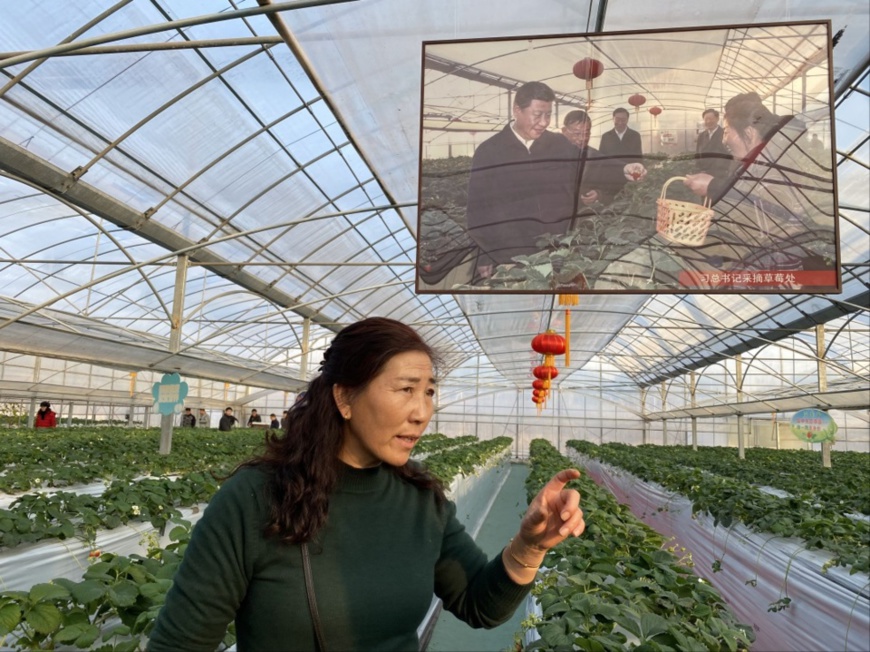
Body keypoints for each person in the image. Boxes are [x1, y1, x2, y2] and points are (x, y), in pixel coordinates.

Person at [148, 317, 585, 651]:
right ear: (344, 398)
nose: (421, 411)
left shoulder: (420, 502)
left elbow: (479, 604)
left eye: (430, 391)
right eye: (405, 389)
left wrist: (530, 546)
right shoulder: (255, 500)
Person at [682, 92, 835, 277]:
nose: (724, 139)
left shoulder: (770, 168)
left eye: (728, 130)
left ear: (748, 132)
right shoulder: (758, 161)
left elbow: (771, 224)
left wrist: (714, 186)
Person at [465, 81, 579, 271]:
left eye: (548, 114)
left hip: (555, 249)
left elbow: (589, 163)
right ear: (517, 110)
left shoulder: (558, 144)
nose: (544, 122)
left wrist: (624, 168)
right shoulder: (490, 151)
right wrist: (484, 255)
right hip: (511, 254)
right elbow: (478, 209)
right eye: (537, 115)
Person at [560, 110, 646, 206]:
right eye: (577, 134)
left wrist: (598, 194)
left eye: (587, 133)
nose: (583, 138)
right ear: (564, 131)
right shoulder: (552, 152)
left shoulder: (591, 155)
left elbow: (604, 161)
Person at [694, 109, 732, 178]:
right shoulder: (702, 135)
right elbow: (697, 154)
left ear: (717, 119)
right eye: (706, 119)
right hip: (704, 173)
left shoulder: (724, 134)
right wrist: (698, 170)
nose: (708, 121)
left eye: (711, 119)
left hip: (720, 174)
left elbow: (729, 154)